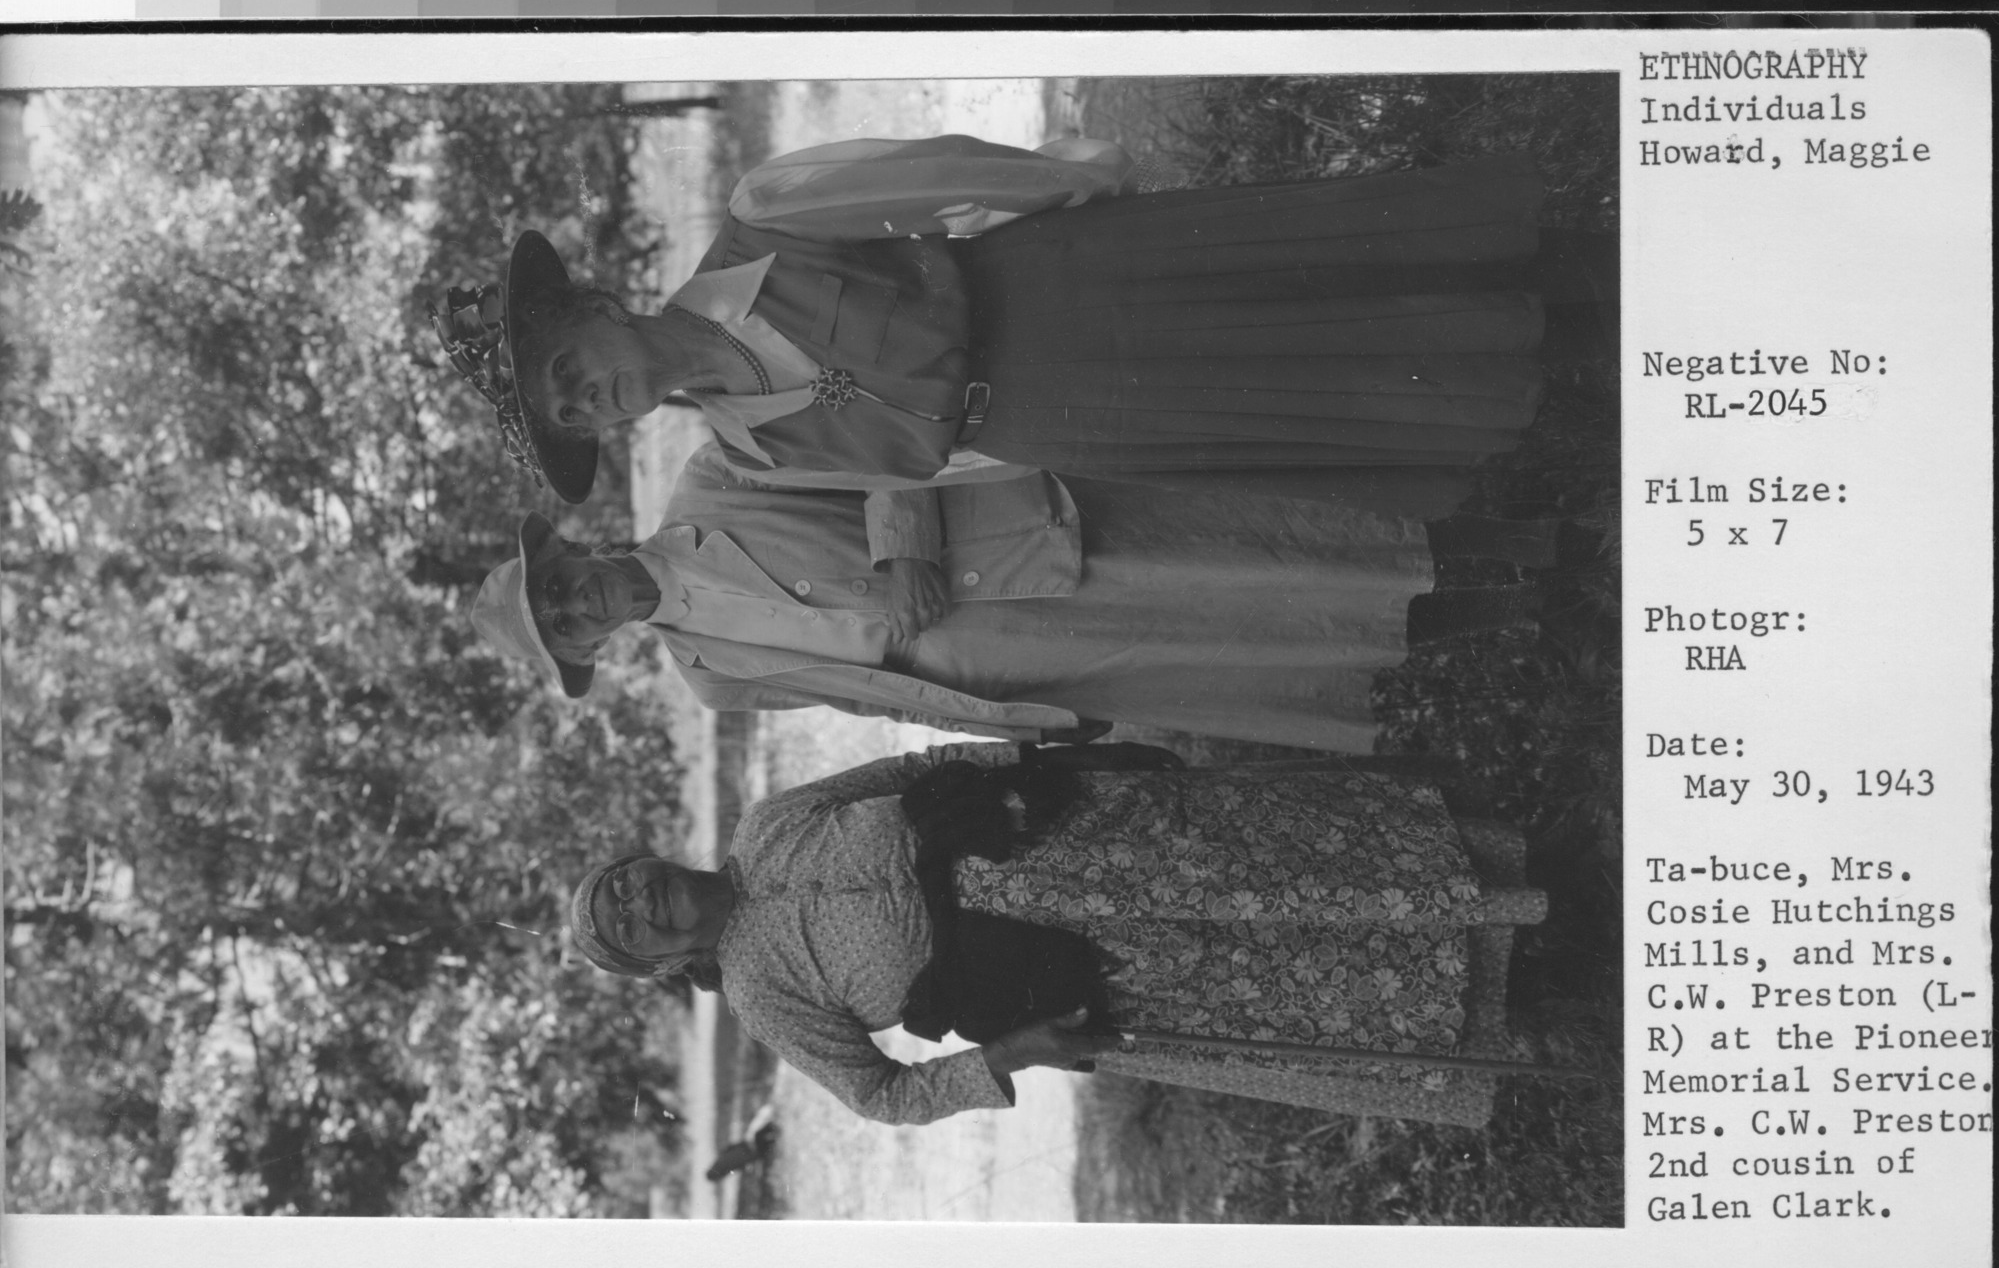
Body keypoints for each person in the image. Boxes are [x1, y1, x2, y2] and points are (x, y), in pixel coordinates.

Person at [430, 134, 1613, 511]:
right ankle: (1595, 387)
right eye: (572, 410)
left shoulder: (760, 222)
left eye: (571, 367)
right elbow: (926, 471)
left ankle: (1606, 276)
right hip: (1069, 418)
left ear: (590, 306)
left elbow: (936, 172)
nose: (592, 398)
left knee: (1319, 292)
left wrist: (1076, 194)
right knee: (1321, 391)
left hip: (1069, 290)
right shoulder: (747, 450)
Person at [568, 739, 1548, 1129]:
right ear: (661, 960)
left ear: (646, 856)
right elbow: (880, 1093)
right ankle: (1512, 1000)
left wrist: (1027, 760)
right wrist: (1010, 1055)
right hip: (1038, 969)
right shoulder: (759, 991)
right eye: (624, 925)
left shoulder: (767, 820)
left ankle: (1492, 879)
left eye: (620, 883)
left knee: (1279, 861)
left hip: (1072, 840)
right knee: (1262, 968)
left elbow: (912, 768)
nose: (633, 902)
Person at [470, 440, 1566, 749]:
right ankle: (1519, 618)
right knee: (1252, 645)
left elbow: (879, 447)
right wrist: (993, 717)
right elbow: (864, 698)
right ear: (591, 650)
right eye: (567, 621)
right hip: (996, 662)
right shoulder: (711, 681)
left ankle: (1529, 540)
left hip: (1007, 548)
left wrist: (902, 546)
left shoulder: (712, 475)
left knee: (1259, 552)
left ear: (570, 544)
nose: (579, 602)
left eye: (559, 582)